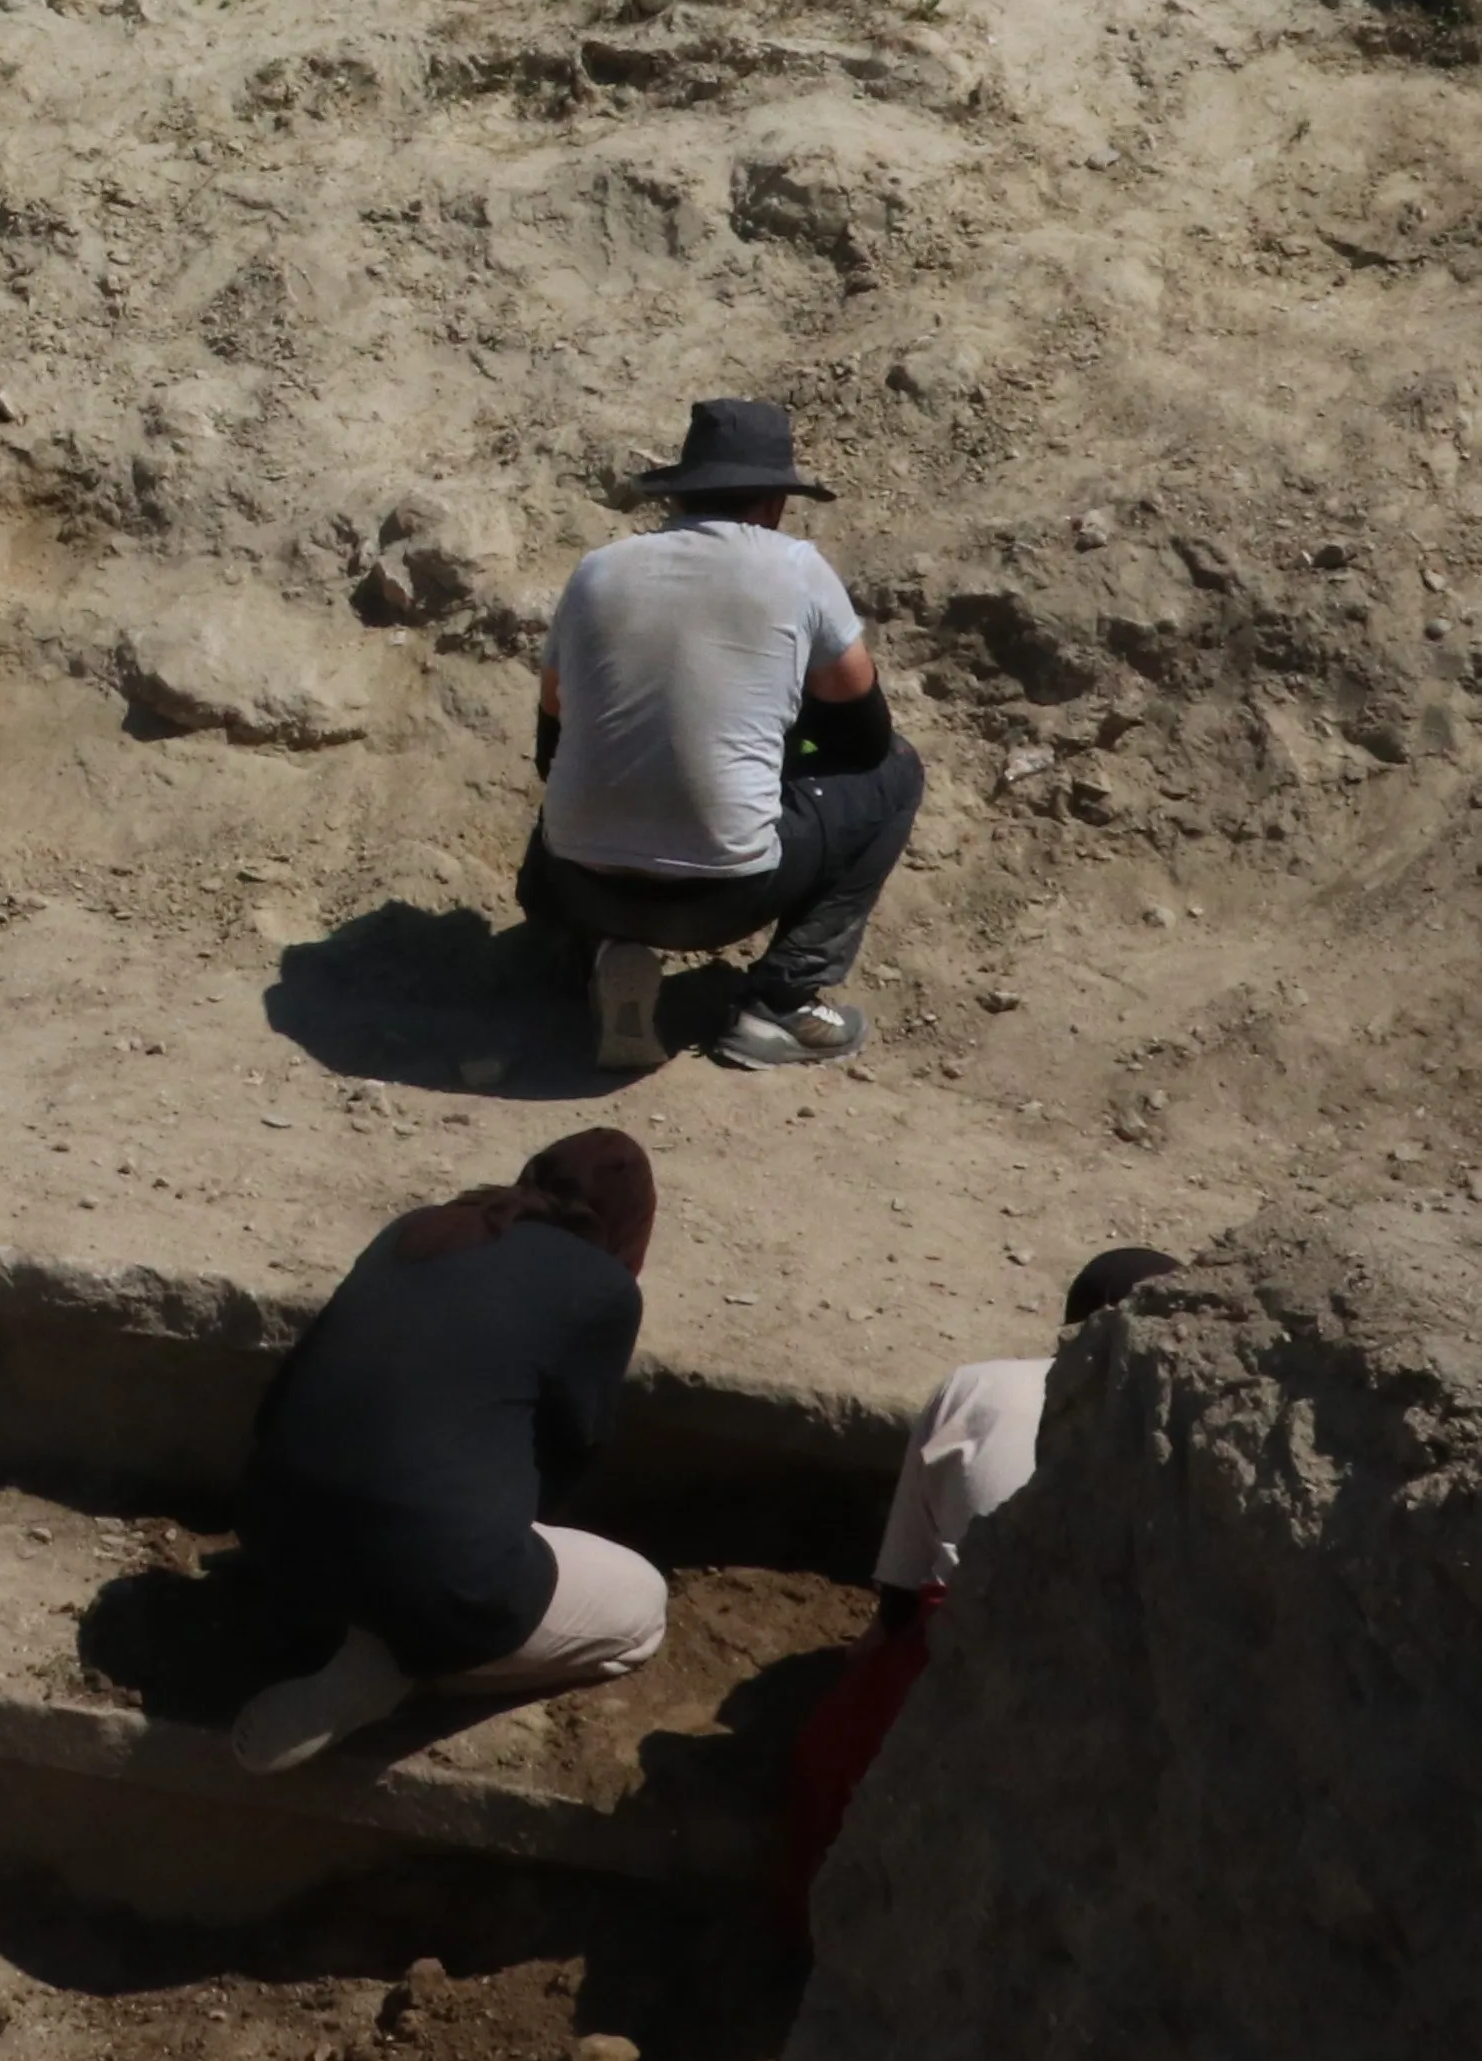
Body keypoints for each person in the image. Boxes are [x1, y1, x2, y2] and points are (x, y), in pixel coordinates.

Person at [229, 1128, 669, 1775]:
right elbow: (566, 1455)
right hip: (437, 1584)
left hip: (270, 1540)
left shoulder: (419, 1229)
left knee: (414, 1535)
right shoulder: (603, 1289)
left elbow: (284, 1395)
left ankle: (359, 1624)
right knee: (643, 1608)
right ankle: (394, 1667)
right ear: (631, 1227)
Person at [773, 1244, 1182, 1923]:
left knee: (831, 1772)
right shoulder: (1189, 1444)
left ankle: (803, 1939)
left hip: (960, 1650)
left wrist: (877, 1649)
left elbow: (904, 1593)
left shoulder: (981, 1387)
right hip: (1107, 1703)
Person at [523, 395, 920, 1073]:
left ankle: (596, 952)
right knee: (898, 773)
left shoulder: (597, 569)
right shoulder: (793, 567)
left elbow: (549, 746)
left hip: (573, 881)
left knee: (592, 777)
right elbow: (864, 739)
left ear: (680, 496)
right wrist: (780, 749)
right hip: (722, 897)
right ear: (773, 503)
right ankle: (781, 1003)